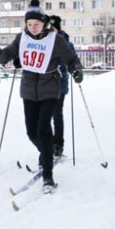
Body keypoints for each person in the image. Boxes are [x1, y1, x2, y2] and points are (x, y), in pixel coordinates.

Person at [0, 0, 83, 193]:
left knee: (43, 129)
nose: (33, 28)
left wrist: (76, 70)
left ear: (44, 24)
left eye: (37, 24)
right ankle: (47, 154)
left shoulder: (55, 40)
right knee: (31, 132)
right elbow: (9, 53)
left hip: (50, 89)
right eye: (29, 24)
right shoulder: (22, 38)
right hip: (28, 90)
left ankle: (48, 176)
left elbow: (71, 58)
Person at [48, 15, 73, 158]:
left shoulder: (65, 43)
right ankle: (49, 143)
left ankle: (58, 144)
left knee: (56, 114)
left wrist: (75, 70)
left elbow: (72, 59)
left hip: (60, 84)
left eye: (54, 29)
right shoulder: (46, 42)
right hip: (45, 84)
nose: (52, 31)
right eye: (50, 29)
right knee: (45, 116)